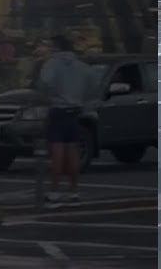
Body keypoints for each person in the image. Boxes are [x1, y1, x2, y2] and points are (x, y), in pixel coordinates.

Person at [37, 35, 99, 206]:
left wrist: (48, 96)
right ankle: (74, 191)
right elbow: (93, 86)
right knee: (72, 151)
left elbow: (45, 83)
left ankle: (55, 191)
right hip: (75, 112)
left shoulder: (52, 64)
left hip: (58, 111)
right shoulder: (83, 67)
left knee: (57, 153)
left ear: (56, 47)